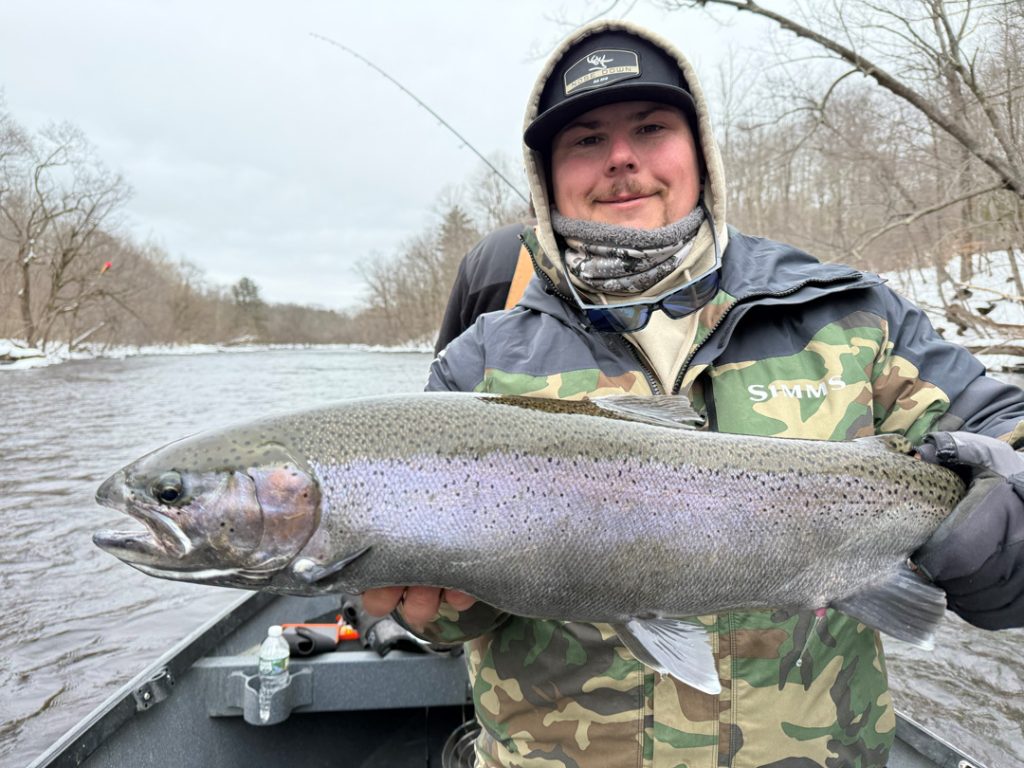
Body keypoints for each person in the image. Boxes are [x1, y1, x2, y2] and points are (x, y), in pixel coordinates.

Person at [365, 19, 1024, 767]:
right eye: (585, 139)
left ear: (700, 154)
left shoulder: (851, 316)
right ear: (546, 177)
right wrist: (439, 610)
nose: (620, 158)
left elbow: (1007, 430)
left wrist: (1005, 514)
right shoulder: (478, 362)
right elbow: (452, 625)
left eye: (650, 128)